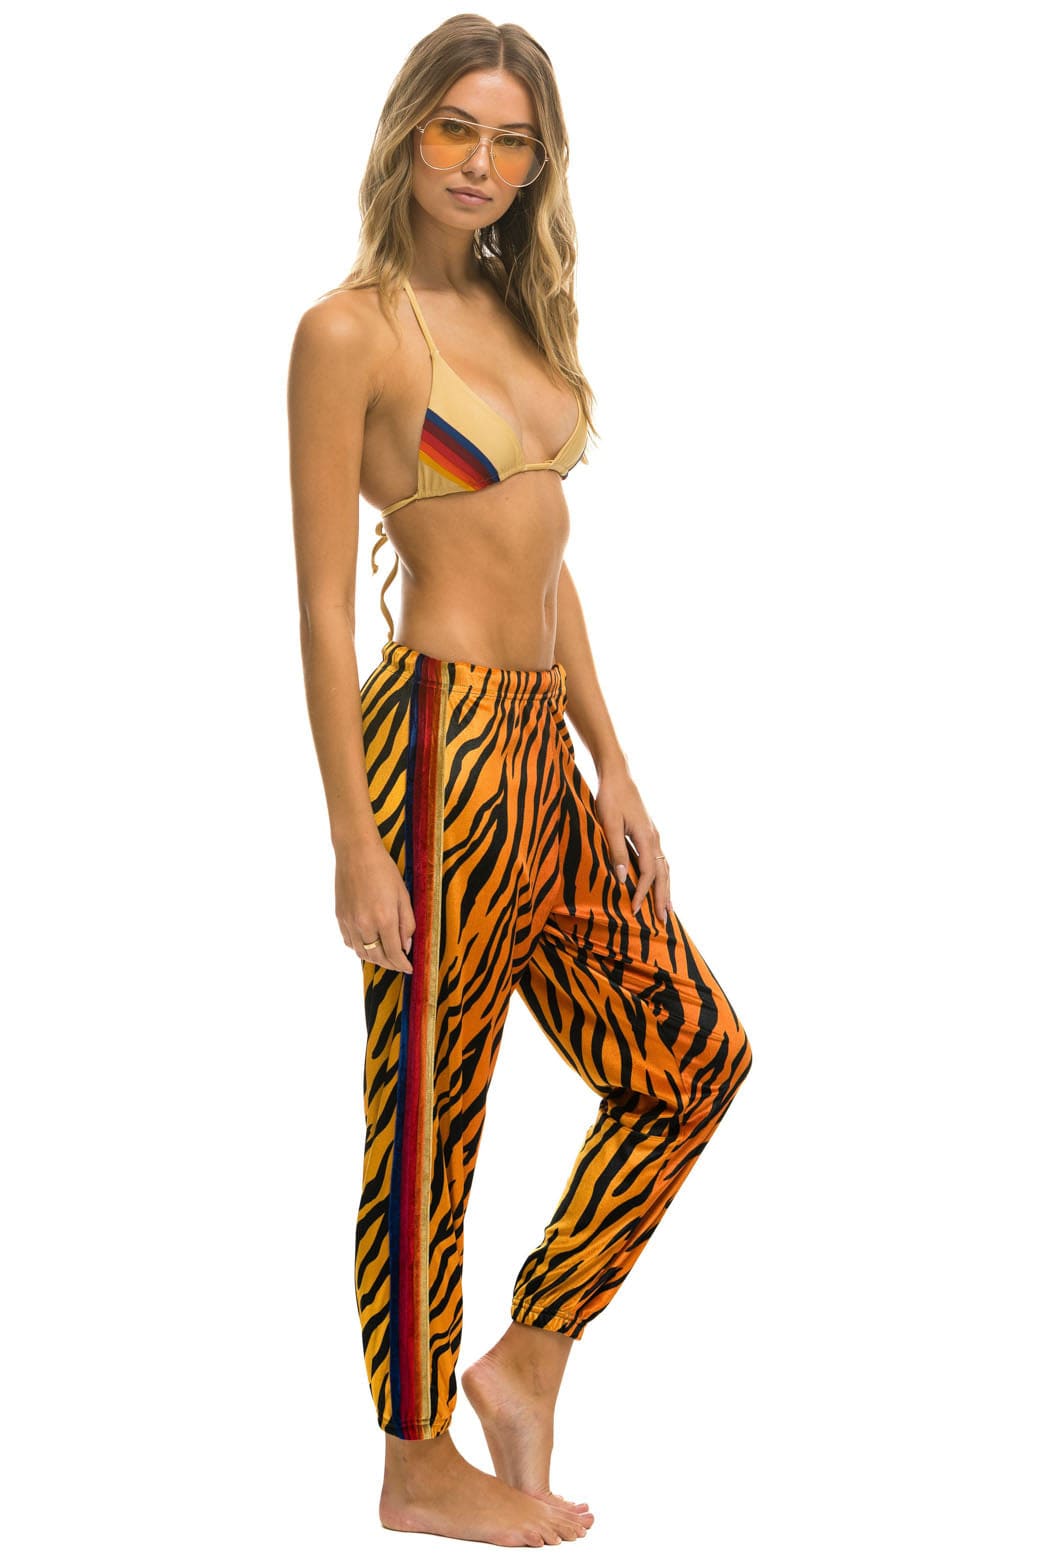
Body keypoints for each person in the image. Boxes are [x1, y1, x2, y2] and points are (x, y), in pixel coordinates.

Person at [287, 13, 752, 1548]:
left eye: (511, 141)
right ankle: (415, 1460)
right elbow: (321, 606)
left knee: (694, 1061)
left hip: (542, 754)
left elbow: (544, 563)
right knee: (430, 1118)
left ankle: (529, 1354)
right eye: (456, 129)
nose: (480, 164)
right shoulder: (349, 333)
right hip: (434, 750)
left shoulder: (518, 313)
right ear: (408, 131)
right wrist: (355, 841)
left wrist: (615, 763)